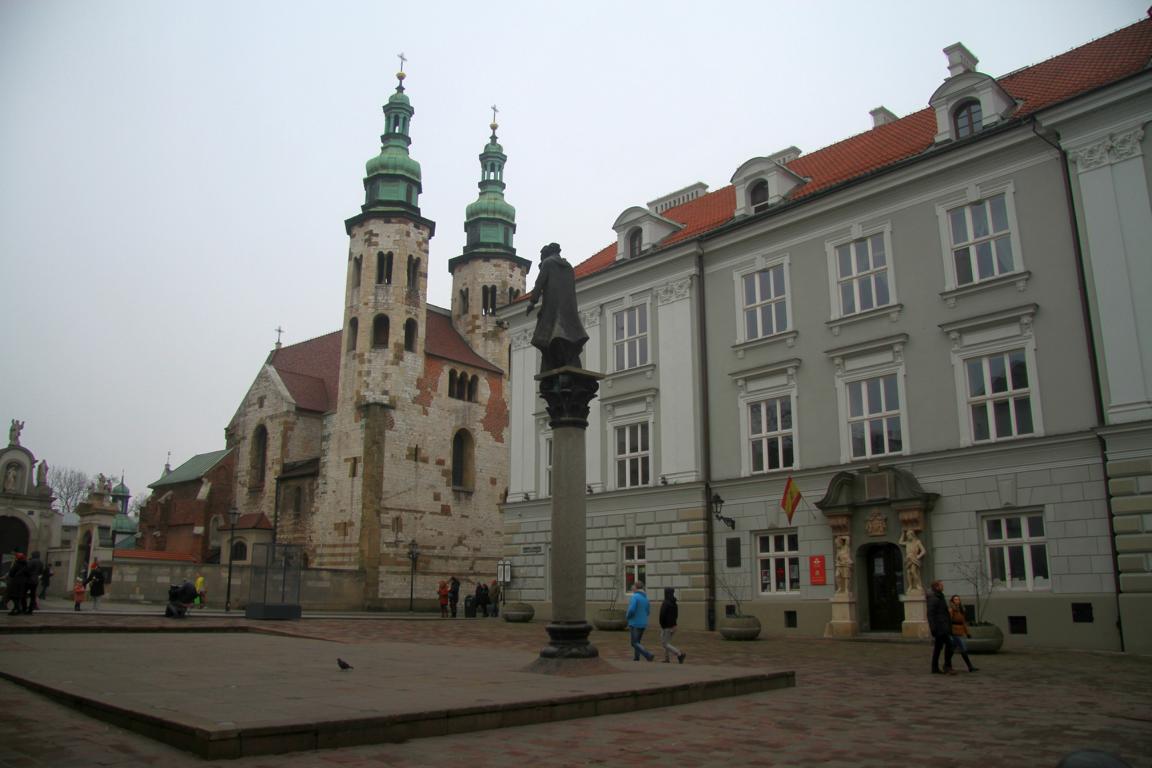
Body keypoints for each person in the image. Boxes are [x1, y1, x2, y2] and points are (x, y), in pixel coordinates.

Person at [525, 243, 589, 372]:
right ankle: (568, 361)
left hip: (552, 308)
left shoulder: (548, 263)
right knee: (568, 336)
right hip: (568, 309)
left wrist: (532, 302)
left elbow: (539, 283)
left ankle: (551, 363)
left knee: (548, 337)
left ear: (545, 254)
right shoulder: (568, 266)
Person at [927, 579, 955, 674]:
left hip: (943, 625)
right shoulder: (934, 598)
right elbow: (930, 614)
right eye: (941, 585)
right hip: (940, 627)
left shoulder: (940, 596)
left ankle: (935, 667)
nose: (943, 586)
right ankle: (947, 666)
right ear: (936, 587)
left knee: (938, 648)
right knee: (950, 645)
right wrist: (933, 628)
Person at [625, 580, 654, 662]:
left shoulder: (635, 597)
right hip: (643, 623)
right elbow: (648, 612)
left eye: (633, 586)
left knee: (634, 643)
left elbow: (631, 610)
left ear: (636, 587)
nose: (632, 587)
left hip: (634, 623)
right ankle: (636, 657)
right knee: (637, 642)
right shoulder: (645, 598)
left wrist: (627, 616)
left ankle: (648, 654)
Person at [949, 595, 979, 672]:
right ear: (952, 601)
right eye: (955, 599)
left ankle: (947, 664)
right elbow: (949, 621)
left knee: (952, 649)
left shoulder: (961, 610)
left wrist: (967, 632)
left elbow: (963, 622)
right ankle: (970, 666)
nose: (957, 601)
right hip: (954, 631)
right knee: (963, 648)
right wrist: (950, 631)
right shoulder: (951, 610)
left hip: (960, 631)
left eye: (958, 599)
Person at [658, 587, 686, 664]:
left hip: (666, 626)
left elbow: (662, 614)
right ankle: (666, 658)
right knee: (666, 642)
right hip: (673, 626)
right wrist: (674, 624)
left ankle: (679, 654)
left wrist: (662, 624)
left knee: (665, 643)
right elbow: (676, 615)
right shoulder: (674, 603)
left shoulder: (665, 603)